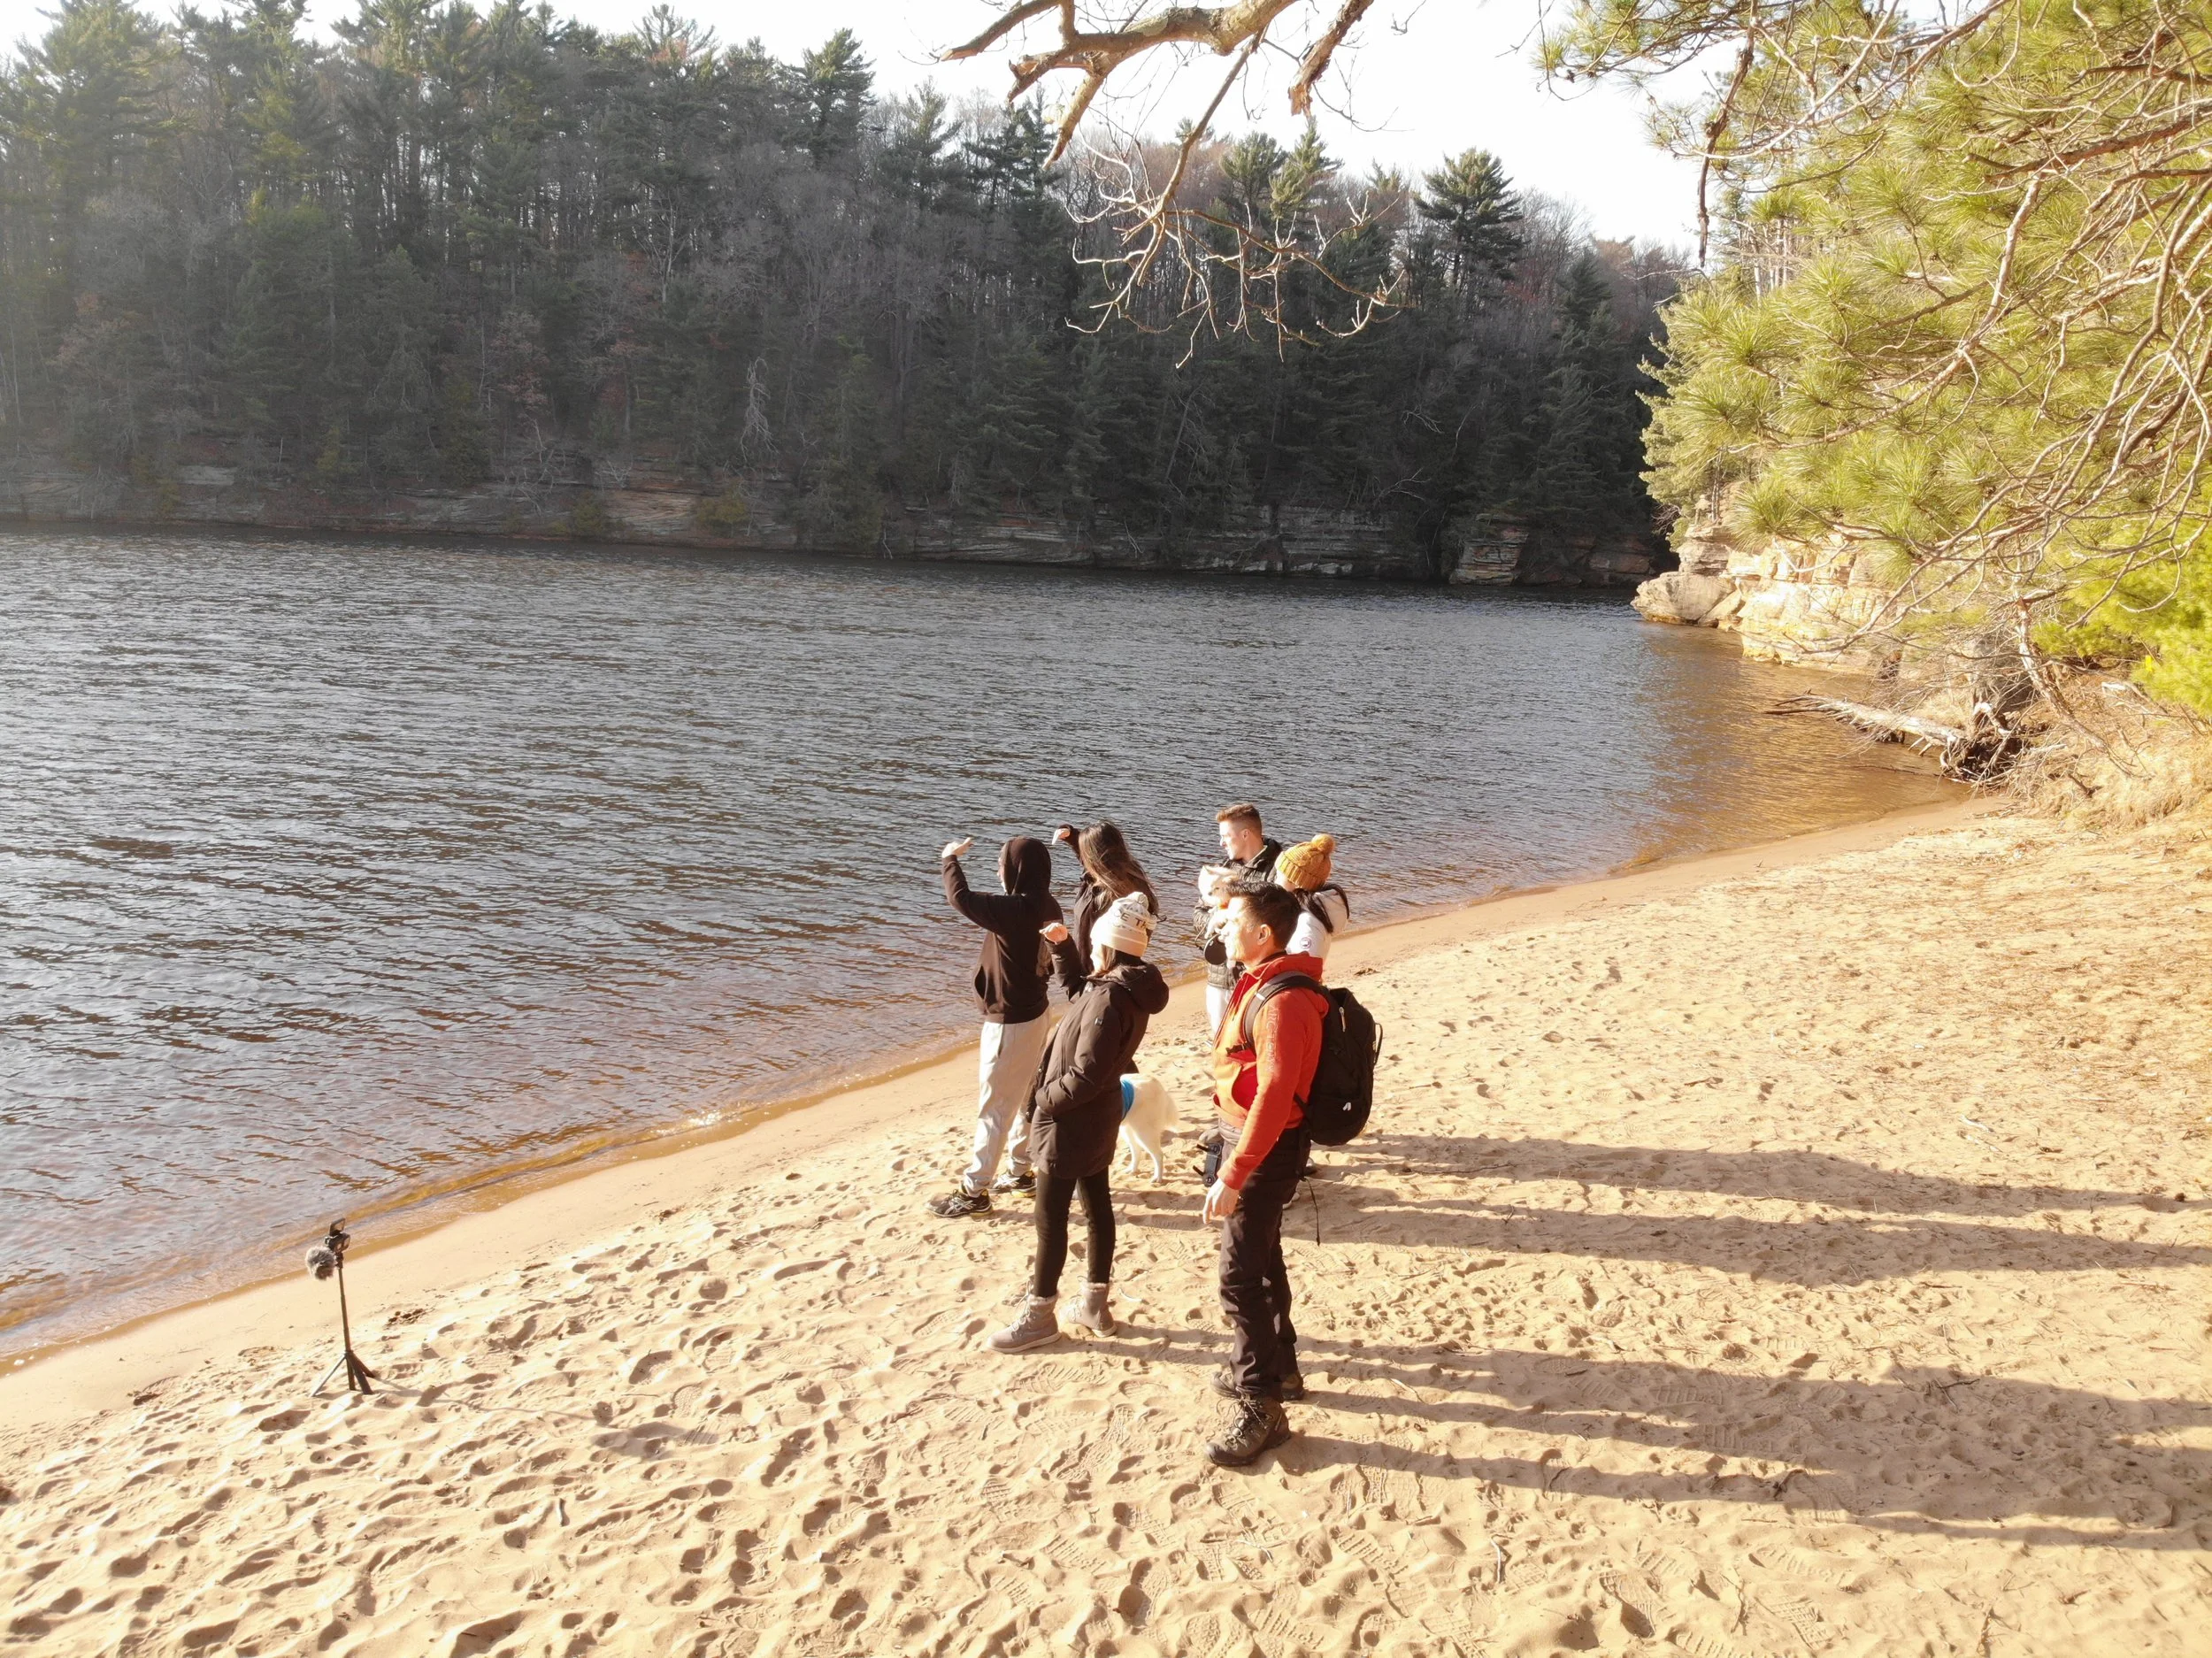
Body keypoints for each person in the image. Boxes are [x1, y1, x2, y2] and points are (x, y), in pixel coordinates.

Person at [987, 893, 1170, 1351]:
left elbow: (1085, 1072)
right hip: (1096, 1116)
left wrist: (1042, 1102)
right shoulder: (1119, 987)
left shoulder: (1110, 998)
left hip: (1070, 1120)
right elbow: (1079, 996)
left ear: (1107, 946)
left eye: (1093, 941)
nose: (1090, 947)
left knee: (1050, 1221)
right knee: (1097, 1208)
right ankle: (1094, 1304)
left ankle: (1040, 1315)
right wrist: (1063, 949)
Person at [1200, 880, 1326, 1467]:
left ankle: (1263, 1405)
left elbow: (1276, 1092)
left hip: (1264, 1147)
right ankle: (1284, 1367)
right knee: (1263, 1256)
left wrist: (1234, 1172)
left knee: (1239, 1277)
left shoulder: (1283, 999)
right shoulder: (1263, 979)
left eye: (1231, 923)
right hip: (1249, 1137)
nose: (1221, 930)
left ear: (1263, 934)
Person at [928, 834, 1062, 1218]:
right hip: (1035, 1015)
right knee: (1023, 1097)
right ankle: (1020, 1172)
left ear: (1017, 871)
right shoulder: (1044, 903)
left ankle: (975, 1191)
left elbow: (961, 899)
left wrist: (949, 858)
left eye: (1002, 865)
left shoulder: (1017, 909)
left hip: (1010, 1025)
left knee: (995, 1107)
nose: (997, 871)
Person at [1194, 803, 1282, 1039]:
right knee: (1221, 1044)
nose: (1221, 843)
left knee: (1253, 1041)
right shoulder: (1224, 869)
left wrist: (1236, 922)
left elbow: (1278, 922)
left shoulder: (1278, 870)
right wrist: (1217, 920)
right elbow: (1198, 915)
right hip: (1218, 976)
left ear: (1246, 834)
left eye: (1225, 836)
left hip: (1255, 977)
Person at [1051, 820, 1159, 999]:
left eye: (1085, 852)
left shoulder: (1110, 897)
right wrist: (1073, 837)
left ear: (1095, 858)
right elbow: (1094, 856)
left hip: (1097, 974)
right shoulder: (1120, 877)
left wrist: (1094, 977)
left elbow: (1112, 952)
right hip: (1101, 974)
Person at [1275, 834, 1350, 961]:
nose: (1274, 881)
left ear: (1297, 882)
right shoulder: (1301, 912)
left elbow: (1307, 966)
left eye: (1278, 876)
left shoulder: (1307, 922)